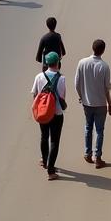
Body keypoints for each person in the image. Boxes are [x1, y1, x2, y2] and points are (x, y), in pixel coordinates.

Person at [74, 39, 111, 168]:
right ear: (103, 50)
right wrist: (109, 103)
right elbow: (107, 88)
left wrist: (81, 97)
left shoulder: (82, 63)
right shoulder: (105, 66)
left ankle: (87, 154)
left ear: (93, 48)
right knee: (99, 131)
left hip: (87, 103)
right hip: (101, 104)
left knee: (88, 127)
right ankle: (98, 157)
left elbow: (77, 84)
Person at [32, 52, 67, 180]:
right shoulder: (61, 78)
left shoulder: (39, 77)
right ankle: (51, 171)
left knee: (44, 136)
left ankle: (44, 161)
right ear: (58, 63)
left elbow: (34, 94)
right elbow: (62, 97)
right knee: (54, 141)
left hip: (43, 113)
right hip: (57, 113)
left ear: (46, 63)